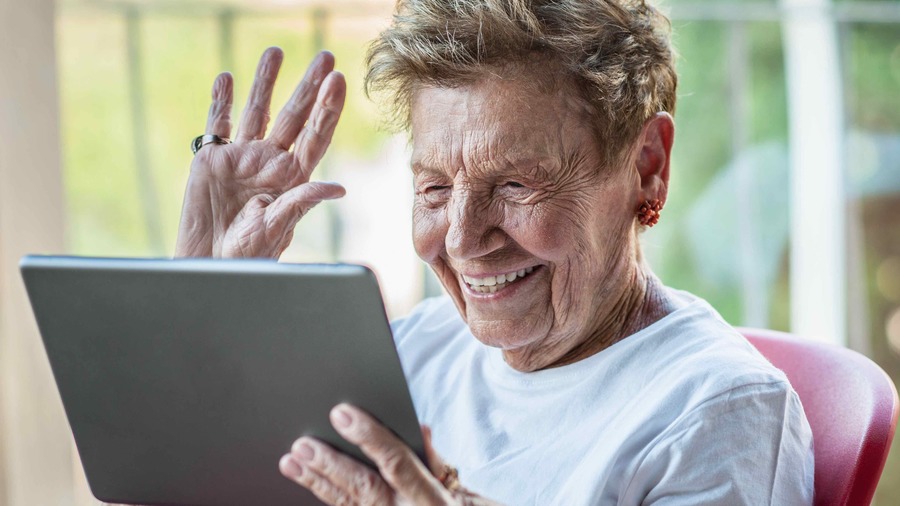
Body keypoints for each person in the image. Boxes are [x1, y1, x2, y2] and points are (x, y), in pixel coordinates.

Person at [177, 0, 814, 504]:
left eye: (515, 184)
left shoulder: (722, 412)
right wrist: (203, 304)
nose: (460, 238)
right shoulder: (412, 353)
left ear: (646, 167)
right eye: (433, 187)